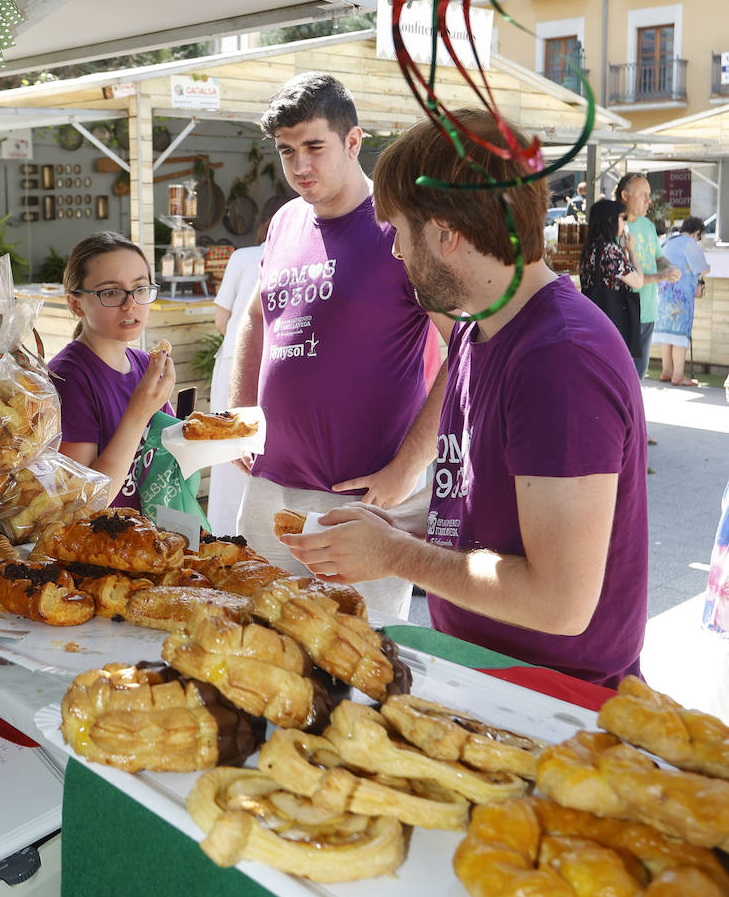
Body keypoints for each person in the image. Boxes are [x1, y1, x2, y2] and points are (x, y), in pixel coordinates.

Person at [278, 109, 649, 687]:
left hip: (553, 702)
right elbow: (484, 530)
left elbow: (561, 603)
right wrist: (390, 534)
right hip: (485, 677)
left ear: (446, 232)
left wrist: (395, 555)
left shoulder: (560, 357)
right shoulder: (480, 331)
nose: (397, 255)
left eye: (399, 233)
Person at [229, 72, 444, 620]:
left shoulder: (400, 228)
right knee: (259, 643)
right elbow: (256, 315)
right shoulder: (285, 221)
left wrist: (407, 466)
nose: (300, 166)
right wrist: (240, 415)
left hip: (357, 499)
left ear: (353, 142)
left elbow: (466, 349)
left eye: (314, 147)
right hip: (270, 482)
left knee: (360, 660)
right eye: (286, 151)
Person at [48, 232, 176, 508]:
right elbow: (83, 503)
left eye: (140, 289)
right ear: (75, 303)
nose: (130, 304)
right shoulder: (67, 379)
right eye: (110, 292)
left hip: (150, 538)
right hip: (101, 546)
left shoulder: (145, 365)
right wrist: (139, 412)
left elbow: (169, 460)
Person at [207, 197, 283, 535]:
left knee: (227, 455)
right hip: (275, 366)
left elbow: (221, 319)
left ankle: (223, 533)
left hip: (233, 367)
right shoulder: (297, 257)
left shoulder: (243, 256)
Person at [616, 173, 681, 381]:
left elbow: (658, 257)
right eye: (643, 194)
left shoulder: (647, 225)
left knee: (639, 376)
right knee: (625, 378)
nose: (648, 200)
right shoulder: (616, 227)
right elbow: (627, 275)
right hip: (625, 312)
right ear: (625, 195)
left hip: (649, 310)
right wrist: (662, 276)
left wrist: (670, 267)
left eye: (649, 194)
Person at [578, 198, 644, 358]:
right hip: (613, 325)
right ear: (610, 220)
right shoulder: (610, 250)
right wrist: (632, 251)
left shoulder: (589, 249)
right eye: (623, 218)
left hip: (591, 322)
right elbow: (638, 281)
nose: (625, 223)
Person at [652, 215, 710, 386]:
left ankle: (666, 371)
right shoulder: (689, 243)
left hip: (663, 293)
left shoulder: (669, 240)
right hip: (681, 295)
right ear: (696, 233)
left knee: (666, 334)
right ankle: (678, 375)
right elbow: (703, 269)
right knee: (679, 333)